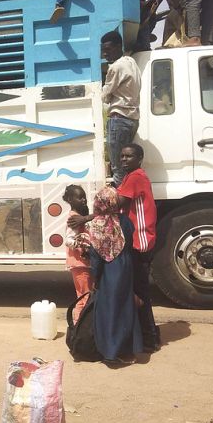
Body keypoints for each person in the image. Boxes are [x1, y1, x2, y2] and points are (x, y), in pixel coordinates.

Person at [87, 186, 143, 363]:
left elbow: (96, 257)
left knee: (109, 309)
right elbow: (130, 241)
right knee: (125, 307)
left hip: (109, 271)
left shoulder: (95, 226)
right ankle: (129, 350)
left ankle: (111, 351)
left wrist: (96, 277)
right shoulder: (124, 221)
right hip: (125, 267)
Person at [117, 144, 160, 351]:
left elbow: (116, 203)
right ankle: (146, 335)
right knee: (137, 291)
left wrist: (88, 217)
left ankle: (149, 339)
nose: (124, 159)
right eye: (122, 156)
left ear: (139, 158)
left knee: (140, 293)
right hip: (136, 241)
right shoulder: (131, 176)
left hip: (139, 243)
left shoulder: (135, 177)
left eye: (129, 156)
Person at [101, 29, 141, 186]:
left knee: (118, 168)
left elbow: (104, 95)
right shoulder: (131, 62)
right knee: (128, 167)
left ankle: (121, 206)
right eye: (103, 51)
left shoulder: (115, 67)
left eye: (108, 50)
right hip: (132, 119)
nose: (105, 54)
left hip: (119, 120)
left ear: (119, 47)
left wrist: (109, 95)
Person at [63, 185, 92, 324]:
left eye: (84, 197)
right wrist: (83, 246)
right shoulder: (74, 218)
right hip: (79, 263)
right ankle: (79, 326)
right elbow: (68, 240)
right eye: (79, 197)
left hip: (83, 263)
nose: (83, 200)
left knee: (85, 295)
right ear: (70, 199)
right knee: (84, 297)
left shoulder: (80, 216)